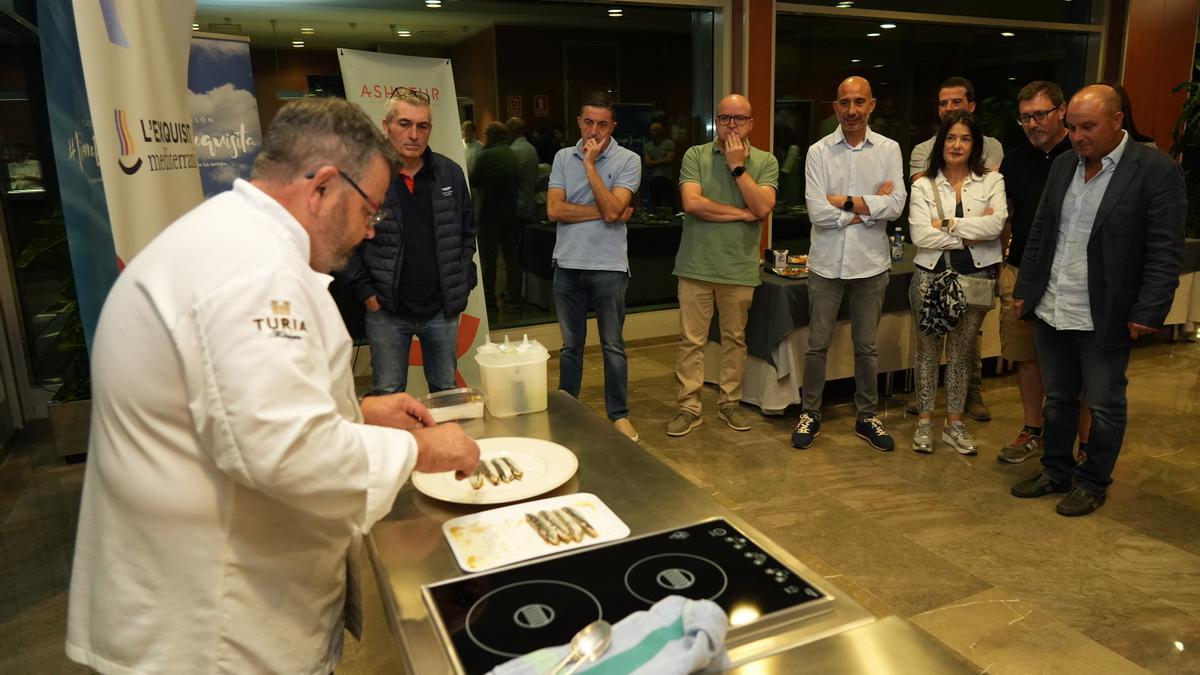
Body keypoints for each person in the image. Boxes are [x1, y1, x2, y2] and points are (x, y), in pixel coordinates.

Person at [65, 97, 481, 675]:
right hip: (215, 632)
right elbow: (283, 449)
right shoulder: (253, 270)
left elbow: (234, 409)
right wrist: (419, 448)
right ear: (324, 187)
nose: (370, 231)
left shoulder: (230, 238)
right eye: (371, 211)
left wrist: (356, 413)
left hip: (214, 603)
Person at [1011, 85, 1186, 517]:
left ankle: (1092, 482)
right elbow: (1040, 233)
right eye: (1071, 127)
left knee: (1105, 403)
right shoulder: (1064, 166)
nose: (1077, 137)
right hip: (1053, 305)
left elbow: (1165, 250)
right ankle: (1056, 470)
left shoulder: (1153, 169)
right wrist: (1025, 289)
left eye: (1087, 127)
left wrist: (1149, 311)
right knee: (1059, 398)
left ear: (1117, 120)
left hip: (1105, 312)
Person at [791, 76, 906, 452]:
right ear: (835, 107)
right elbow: (816, 211)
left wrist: (844, 201)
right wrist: (868, 207)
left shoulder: (889, 150)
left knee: (866, 346)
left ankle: (866, 416)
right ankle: (810, 413)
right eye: (845, 102)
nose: (852, 110)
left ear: (872, 105)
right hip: (825, 265)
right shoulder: (818, 152)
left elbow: (897, 205)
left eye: (859, 102)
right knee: (816, 345)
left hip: (870, 264)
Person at [343, 87, 477, 394]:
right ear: (386, 125)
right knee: (389, 394)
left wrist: (461, 281)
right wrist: (365, 291)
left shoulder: (450, 174)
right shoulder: (364, 175)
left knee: (446, 392)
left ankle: (443, 444)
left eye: (422, 126)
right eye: (405, 124)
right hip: (387, 310)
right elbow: (346, 241)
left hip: (441, 309)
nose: (414, 134)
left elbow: (467, 232)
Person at [667, 93, 778, 437]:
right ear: (717, 120)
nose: (731, 125)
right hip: (695, 265)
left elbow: (762, 207)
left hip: (738, 267)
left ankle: (729, 402)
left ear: (751, 124)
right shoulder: (695, 155)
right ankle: (689, 407)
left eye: (739, 119)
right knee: (691, 341)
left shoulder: (765, 161)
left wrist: (737, 167)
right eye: (725, 118)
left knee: (734, 339)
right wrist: (741, 213)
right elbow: (692, 202)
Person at [996, 80, 1086, 464]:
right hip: (1020, 272)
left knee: (1073, 365)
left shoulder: (1081, 153)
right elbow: (1007, 217)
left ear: (1061, 111)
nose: (1033, 124)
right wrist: (1002, 263)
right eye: (1026, 118)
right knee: (1026, 356)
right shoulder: (1016, 160)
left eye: (1041, 115)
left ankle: (1084, 444)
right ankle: (1032, 429)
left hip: (1068, 275)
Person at [907, 110, 1006, 455]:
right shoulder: (923, 184)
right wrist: (971, 233)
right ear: (940, 142)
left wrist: (946, 224)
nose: (957, 144)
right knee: (927, 354)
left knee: (962, 356)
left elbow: (996, 228)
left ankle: (954, 423)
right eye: (951, 137)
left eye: (965, 138)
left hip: (975, 278)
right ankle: (923, 423)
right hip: (929, 278)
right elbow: (919, 233)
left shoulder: (992, 181)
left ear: (975, 143)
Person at [547, 91, 642, 441]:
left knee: (613, 346)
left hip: (609, 266)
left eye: (602, 124)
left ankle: (618, 414)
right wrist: (606, 211)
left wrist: (589, 165)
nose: (594, 131)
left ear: (612, 126)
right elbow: (555, 210)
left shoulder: (628, 160)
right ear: (579, 122)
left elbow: (616, 210)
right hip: (567, 263)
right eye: (588, 122)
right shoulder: (561, 157)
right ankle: (568, 409)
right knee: (571, 346)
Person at [471, 121, 520, 313]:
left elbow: (474, 180)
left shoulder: (487, 155)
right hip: (510, 214)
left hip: (489, 215)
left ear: (491, 136)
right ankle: (513, 295)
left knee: (488, 260)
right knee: (511, 259)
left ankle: (489, 300)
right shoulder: (512, 154)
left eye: (486, 135)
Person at [507, 115, 540, 307]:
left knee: (514, 254)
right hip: (529, 204)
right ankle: (522, 291)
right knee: (524, 253)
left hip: (517, 207)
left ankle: (515, 293)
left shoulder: (515, 151)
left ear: (512, 131)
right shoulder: (531, 149)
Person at [643, 121, 676, 211]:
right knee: (656, 204)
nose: (651, 133)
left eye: (654, 130)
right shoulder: (647, 146)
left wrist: (654, 161)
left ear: (660, 131)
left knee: (670, 203)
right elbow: (647, 163)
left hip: (667, 177)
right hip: (653, 178)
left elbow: (669, 159)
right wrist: (663, 160)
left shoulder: (669, 143)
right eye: (650, 130)